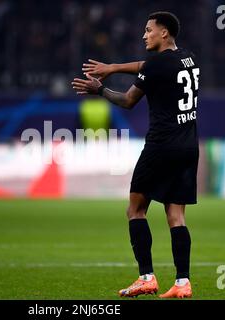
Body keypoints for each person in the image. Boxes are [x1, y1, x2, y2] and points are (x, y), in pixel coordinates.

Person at [72, 11, 199, 299]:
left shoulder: (156, 65)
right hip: (189, 146)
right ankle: (182, 283)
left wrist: (100, 89)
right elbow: (147, 66)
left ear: (164, 33)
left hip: (161, 146)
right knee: (176, 216)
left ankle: (147, 277)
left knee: (136, 210)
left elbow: (128, 100)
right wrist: (115, 67)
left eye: (149, 30)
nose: (144, 35)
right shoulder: (188, 57)